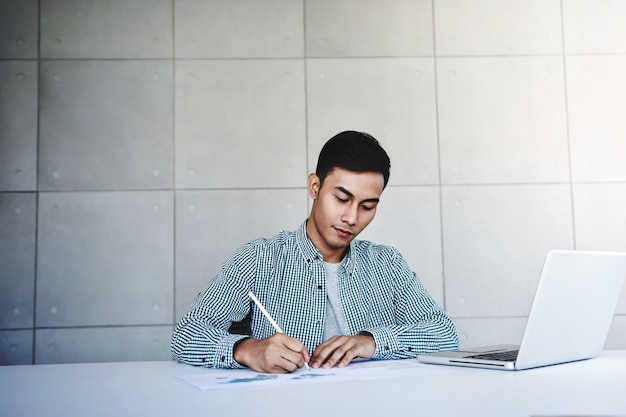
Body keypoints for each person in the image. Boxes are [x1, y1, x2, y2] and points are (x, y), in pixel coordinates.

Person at [171, 130, 458, 373]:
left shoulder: (387, 264)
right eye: (342, 198)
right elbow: (186, 335)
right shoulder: (260, 259)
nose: (352, 218)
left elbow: (444, 334)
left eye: (367, 206)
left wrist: (371, 342)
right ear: (315, 186)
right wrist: (247, 350)